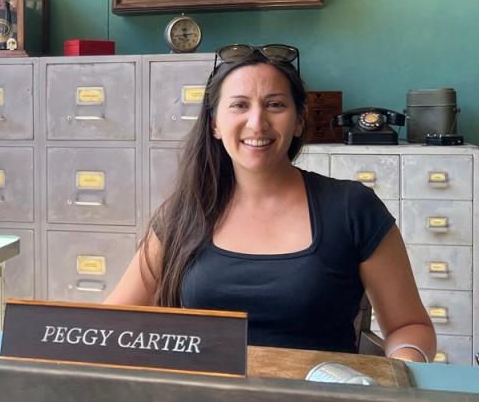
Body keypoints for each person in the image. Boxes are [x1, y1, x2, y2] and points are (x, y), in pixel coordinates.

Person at [106, 44, 436, 361]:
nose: (257, 123)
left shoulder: (353, 208)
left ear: (300, 121)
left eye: (275, 104)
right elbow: (110, 322)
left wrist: (398, 370)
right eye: (239, 105)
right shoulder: (183, 213)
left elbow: (410, 326)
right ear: (215, 124)